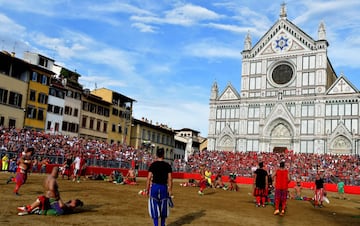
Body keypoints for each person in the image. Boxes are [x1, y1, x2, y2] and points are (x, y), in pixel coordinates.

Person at [146, 148, 173, 226]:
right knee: (163, 207)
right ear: (163, 155)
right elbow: (170, 179)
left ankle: (156, 225)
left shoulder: (153, 165)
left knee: (154, 206)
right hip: (163, 187)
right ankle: (163, 224)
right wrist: (170, 190)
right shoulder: (167, 165)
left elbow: (148, 178)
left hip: (154, 187)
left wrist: (147, 189)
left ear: (157, 155)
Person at [17, 196, 83, 216]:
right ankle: (28, 208)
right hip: (49, 209)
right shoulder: (69, 206)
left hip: (50, 210)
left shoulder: (70, 208)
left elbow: (62, 206)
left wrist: (58, 197)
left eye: (73, 201)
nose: (71, 200)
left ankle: (28, 209)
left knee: (42, 199)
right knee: (42, 200)